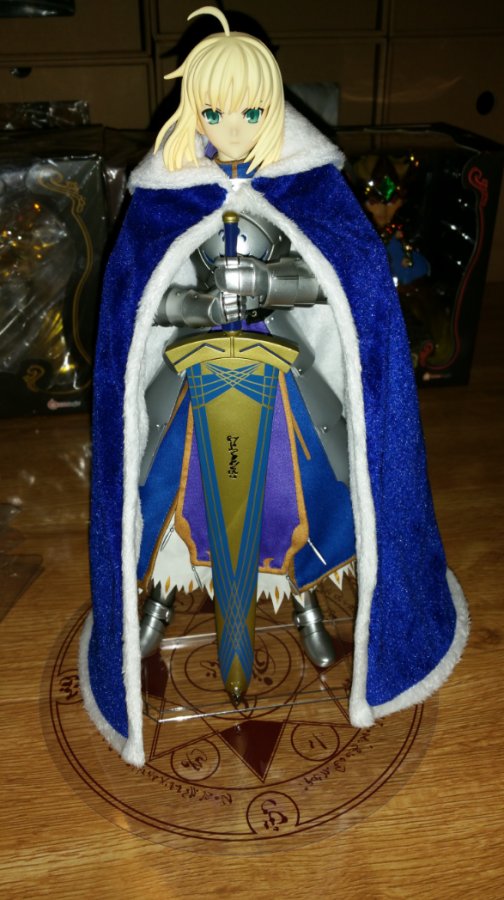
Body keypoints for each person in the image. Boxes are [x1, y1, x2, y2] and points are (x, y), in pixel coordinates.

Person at [80, 6, 468, 767]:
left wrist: (267, 283)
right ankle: (159, 595)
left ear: (273, 106)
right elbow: (140, 305)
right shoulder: (165, 194)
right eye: (214, 110)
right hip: (193, 372)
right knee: (159, 481)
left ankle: (307, 598)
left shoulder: (309, 189)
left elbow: (340, 287)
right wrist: (197, 305)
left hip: (281, 368)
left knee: (315, 487)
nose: (231, 126)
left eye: (250, 111)